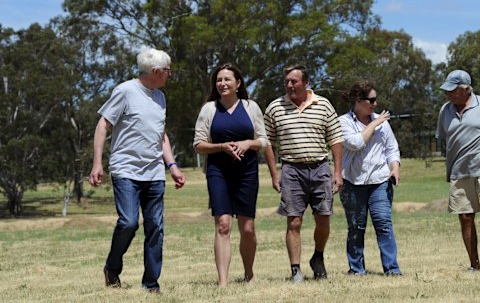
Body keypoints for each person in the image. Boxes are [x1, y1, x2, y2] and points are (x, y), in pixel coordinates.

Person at [89, 47, 186, 293]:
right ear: (156, 71)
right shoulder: (125, 91)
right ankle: (112, 268)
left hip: (154, 173)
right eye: (168, 71)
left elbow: (161, 135)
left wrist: (172, 165)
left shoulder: (160, 97)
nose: (170, 75)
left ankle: (151, 284)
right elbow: (103, 125)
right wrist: (97, 163)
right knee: (129, 222)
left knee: (155, 227)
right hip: (126, 170)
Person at [263, 64, 344, 283]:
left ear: (306, 83)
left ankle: (318, 257)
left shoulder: (324, 105)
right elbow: (267, 143)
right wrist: (274, 174)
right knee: (294, 222)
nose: (289, 85)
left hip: (320, 168)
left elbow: (335, 139)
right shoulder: (275, 108)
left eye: (294, 81)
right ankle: (296, 269)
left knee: (323, 220)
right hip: (291, 170)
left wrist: (337, 172)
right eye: (286, 81)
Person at [193, 63, 268, 287]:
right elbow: (198, 145)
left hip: (247, 172)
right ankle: (223, 282)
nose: (222, 83)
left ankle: (249, 274)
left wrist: (248, 143)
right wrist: (222, 147)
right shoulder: (209, 109)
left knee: (247, 227)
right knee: (223, 224)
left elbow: (264, 141)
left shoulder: (251, 107)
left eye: (227, 79)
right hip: (218, 172)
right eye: (218, 80)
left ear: (238, 83)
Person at [435, 69, 480, 272]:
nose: (449, 94)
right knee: (466, 216)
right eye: (447, 90)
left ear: (466, 89)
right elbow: (445, 139)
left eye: (453, 90)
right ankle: (474, 265)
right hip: (460, 168)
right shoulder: (445, 110)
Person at [338, 82, 402, 276]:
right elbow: (356, 143)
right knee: (356, 226)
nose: (375, 104)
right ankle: (357, 269)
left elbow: (392, 149)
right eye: (371, 100)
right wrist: (375, 123)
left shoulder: (383, 123)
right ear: (358, 101)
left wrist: (395, 168)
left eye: (376, 99)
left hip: (380, 181)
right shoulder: (343, 122)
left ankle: (392, 269)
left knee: (383, 222)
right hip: (352, 182)